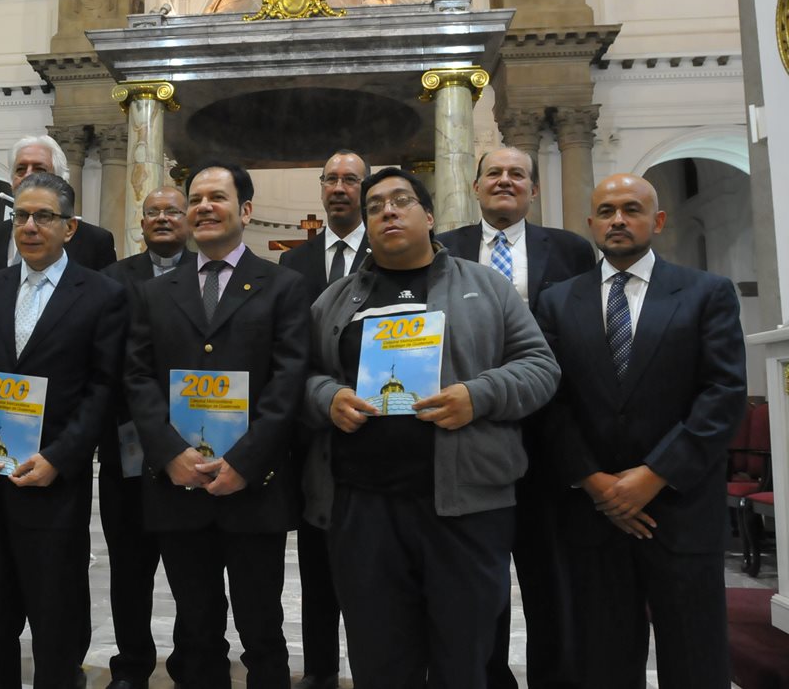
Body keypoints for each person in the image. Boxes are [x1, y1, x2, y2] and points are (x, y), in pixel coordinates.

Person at [303, 167, 560, 688]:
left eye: (400, 201)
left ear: (430, 216)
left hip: (466, 508)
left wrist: (477, 395)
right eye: (374, 207)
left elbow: (541, 368)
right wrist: (328, 397)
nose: (387, 212)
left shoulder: (487, 287)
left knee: (462, 656)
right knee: (379, 657)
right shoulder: (335, 300)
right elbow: (301, 376)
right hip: (362, 507)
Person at [535, 173, 746, 688]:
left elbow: (723, 394)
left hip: (681, 506)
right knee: (601, 659)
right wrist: (595, 480)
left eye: (631, 209)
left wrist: (654, 475)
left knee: (695, 657)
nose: (618, 220)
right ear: (591, 224)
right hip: (594, 511)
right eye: (606, 211)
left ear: (658, 219)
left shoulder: (707, 292)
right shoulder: (558, 301)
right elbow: (549, 403)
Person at [126, 161, 310, 689]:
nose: (203, 207)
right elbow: (138, 378)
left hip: (254, 488)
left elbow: (288, 383)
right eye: (195, 199)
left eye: (217, 197)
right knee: (195, 626)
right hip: (178, 486)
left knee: (262, 626)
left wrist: (245, 462)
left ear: (246, 211)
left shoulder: (283, 286)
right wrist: (170, 453)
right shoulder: (155, 292)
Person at [0, 172, 126, 689]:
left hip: (50, 486)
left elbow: (102, 389)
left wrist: (61, 458)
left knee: (55, 626)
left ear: (69, 228)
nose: (29, 226)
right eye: (20, 216)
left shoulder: (102, 295)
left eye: (43, 216)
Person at [436, 146, 595, 689]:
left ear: (534, 189)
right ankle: (487, 678)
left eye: (517, 174)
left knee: (552, 575)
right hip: (470, 437)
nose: (505, 181)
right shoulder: (443, 249)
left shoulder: (573, 251)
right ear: (476, 186)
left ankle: (555, 678)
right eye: (494, 173)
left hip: (551, 440)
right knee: (480, 578)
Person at [277, 149, 370, 689]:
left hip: (378, 426)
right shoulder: (296, 263)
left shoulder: (388, 252)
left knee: (370, 565)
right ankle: (318, 671)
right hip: (312, 431)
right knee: (315, 565)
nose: (339, 188)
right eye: (331, 179)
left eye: (350, 180)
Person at [100, 186, 194, 689]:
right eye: (152, 211)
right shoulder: (113, 279)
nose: (162, 218)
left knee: (190, 570)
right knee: (129, 570)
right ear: (141, 222)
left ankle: (188, 662)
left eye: (171, 211)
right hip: (126, 449)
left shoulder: (210, 273)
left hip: (189, 444)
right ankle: (131, 666)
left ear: (188, 220)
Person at [0, 135, 116, 283]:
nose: (28, 176)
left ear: (60, 180)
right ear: (12, 182)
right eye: (20, 169)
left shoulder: (94, 242)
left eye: (39, 169)